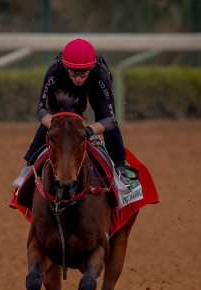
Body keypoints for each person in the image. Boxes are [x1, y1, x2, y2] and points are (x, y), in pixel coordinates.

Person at [21, 38, 136, 187]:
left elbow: (109, 119)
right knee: (56, 122)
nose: (79, 79)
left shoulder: (101, 73)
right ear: (65, 67)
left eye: (83, 74)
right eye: (74, 73)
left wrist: (88, 130)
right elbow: (42, 109)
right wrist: (55, 122)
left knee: (110, 123)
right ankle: (30, 165)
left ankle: (120, 166)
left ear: (92, 68)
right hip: (63, 86)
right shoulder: (55, 70)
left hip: (94, 87)